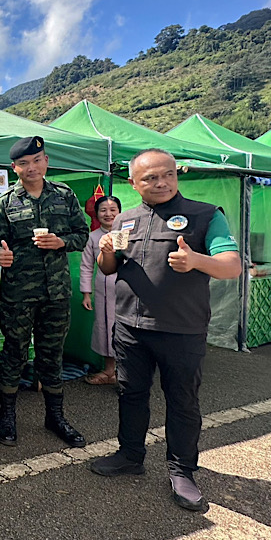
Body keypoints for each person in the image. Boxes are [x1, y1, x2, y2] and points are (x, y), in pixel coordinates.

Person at [90, 149, 241, 512]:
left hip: (181, 329)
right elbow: (109, 268)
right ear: (133, 183)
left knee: (182, 401)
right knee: (131, 394)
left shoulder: (205, 215)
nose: (161, 183)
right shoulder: (124, 219)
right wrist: (106, 251)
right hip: (130, 327)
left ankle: (182, 471)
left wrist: (196, 260)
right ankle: (130, 455)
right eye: (151, 178)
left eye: (168, 175)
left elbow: (232, 265)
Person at [0, 136, 88, 449]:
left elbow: (82, 234)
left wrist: (61, 242)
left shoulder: (65, 195)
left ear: (46, 161)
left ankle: (55, 417)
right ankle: (6, 415)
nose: (32, 167)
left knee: (52, 355)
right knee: (14, 353)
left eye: (37, 160)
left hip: (56, 293)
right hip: (18, 294)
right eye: (24, 163)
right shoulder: (5, 203)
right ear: (14, 168)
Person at [81, 196, 121, 385]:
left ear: (120, 212)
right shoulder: (93, 237)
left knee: (125, 328)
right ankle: (109, 371)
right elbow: (86, 266)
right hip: (102, 291)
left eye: (113, 209)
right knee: (104, 327)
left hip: (126, 290)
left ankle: (125, 372)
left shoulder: (128, 235)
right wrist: (86, 293)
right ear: (96, 214)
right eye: (103, 210)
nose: (108, 214)